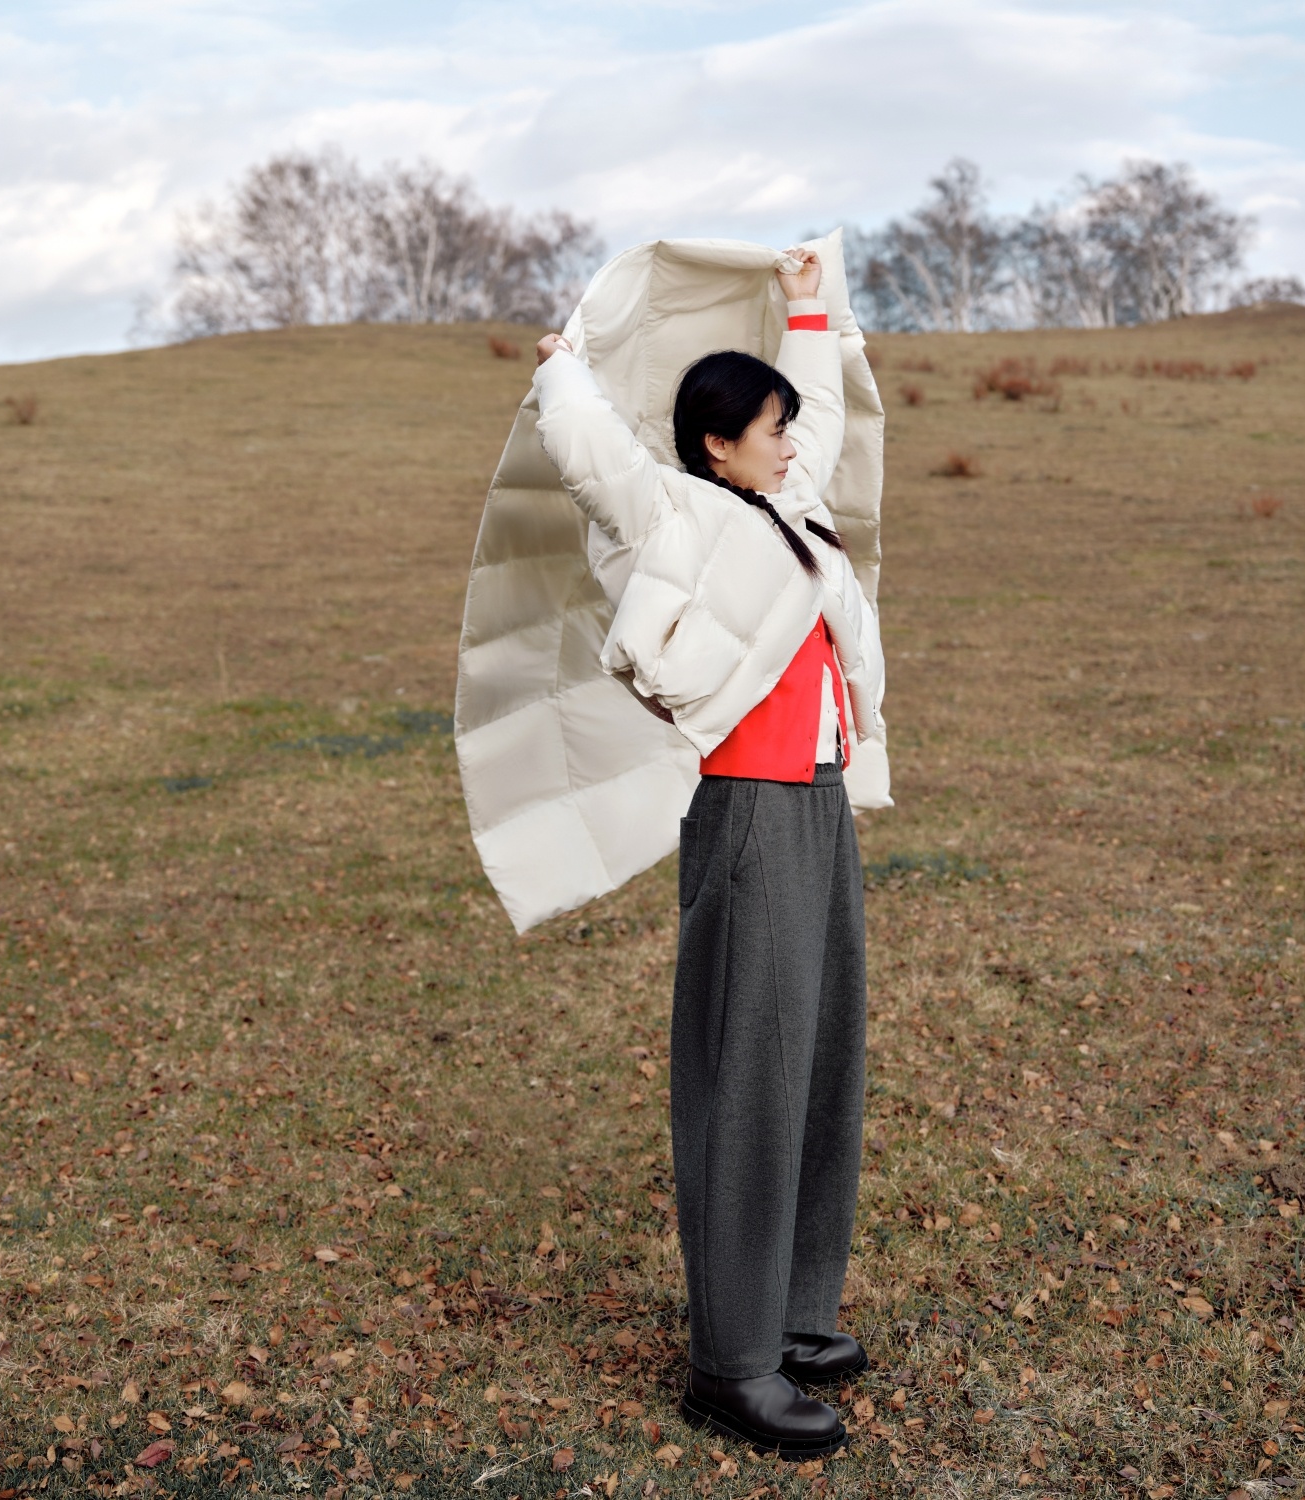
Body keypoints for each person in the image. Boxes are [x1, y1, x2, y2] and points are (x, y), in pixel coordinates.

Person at [529, 247, 883, 1459]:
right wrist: (562, 375)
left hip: (820, 809)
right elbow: (594, 465)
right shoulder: (679, 514)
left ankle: (792, 1314)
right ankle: (731, 1364)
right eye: (767, 427)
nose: (789, 439)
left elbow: (826, 406)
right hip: (746, 817)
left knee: (820, 1063)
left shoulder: (793, 512)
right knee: (748, 1077)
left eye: (786, 423)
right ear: (716, 445)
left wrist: (803, 307)